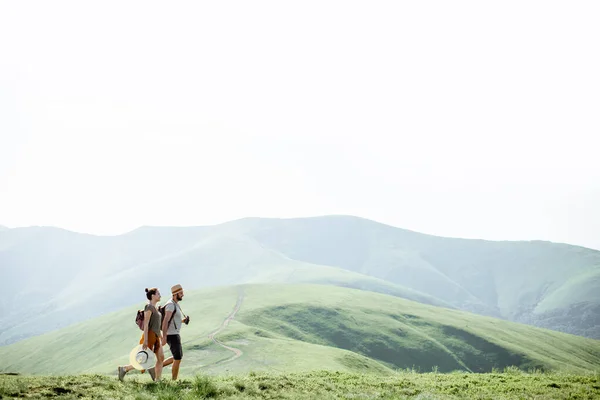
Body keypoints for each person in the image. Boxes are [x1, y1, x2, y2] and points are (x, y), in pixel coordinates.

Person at [118, 287, 165, 381]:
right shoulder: (149, 307)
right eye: (158, 293)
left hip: (156, 336)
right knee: (144, 360)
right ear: (153, 296)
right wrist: (146, 340)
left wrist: (160, 336)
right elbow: (146, 324)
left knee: (161, 358)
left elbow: (156, 324)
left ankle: (158, 380)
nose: (160, 295)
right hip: (150, 335)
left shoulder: (155, 308)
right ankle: (124, 369)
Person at [161, 284, 190, 380]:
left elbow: (172, 321)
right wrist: (164, 336)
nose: (183, 295)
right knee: (177, 358)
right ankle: (174, 380)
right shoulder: (170, 305)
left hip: (174, 334)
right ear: (175, 294)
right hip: (171, 335)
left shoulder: (175, 304)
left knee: (177, 356)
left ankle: (155, 368)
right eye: (181, 293)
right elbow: (165, 321)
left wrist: (183, 321)